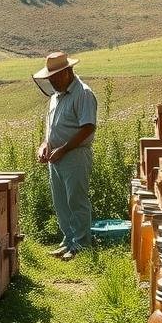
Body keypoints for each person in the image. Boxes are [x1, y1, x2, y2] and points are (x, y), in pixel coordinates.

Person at [33, 51, 97, 260]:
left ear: (68, 72)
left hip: (75, 156)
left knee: (76, 201)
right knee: (61, 203)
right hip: (56, 157)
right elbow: (50, 130)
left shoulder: (84, 93)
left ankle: (81, 244)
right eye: (50, 78)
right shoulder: (54, 97)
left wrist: (64, 149)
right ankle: (68, 240)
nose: (52, 81)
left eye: (55, 77)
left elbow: (88, 128)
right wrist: (44, 146)